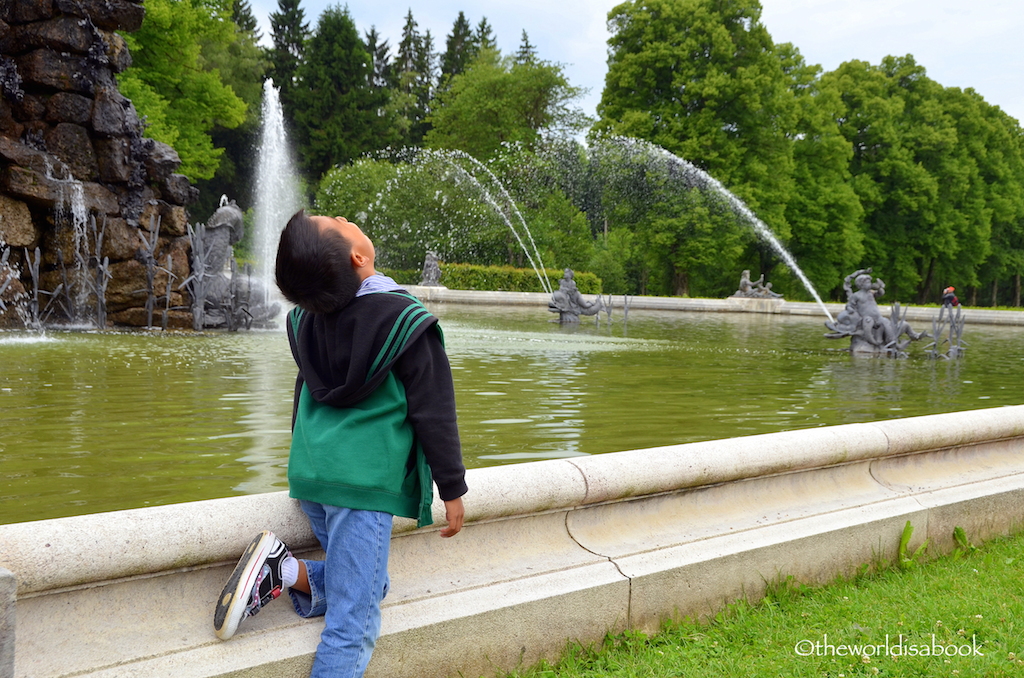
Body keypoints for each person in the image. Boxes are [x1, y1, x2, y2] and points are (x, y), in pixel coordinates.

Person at [213, 210, 467, 677]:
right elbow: (434, 410)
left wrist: (303, 460)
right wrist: (452, 487)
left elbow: (302, 394)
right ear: (358, 255)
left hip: (312, 475)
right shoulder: (405, 321)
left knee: (370, 582)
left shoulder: (308, 323)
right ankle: (285, 574)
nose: (344, 216)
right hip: (360, 487)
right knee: (355, 621)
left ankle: (285, 572)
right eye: (336, 220)